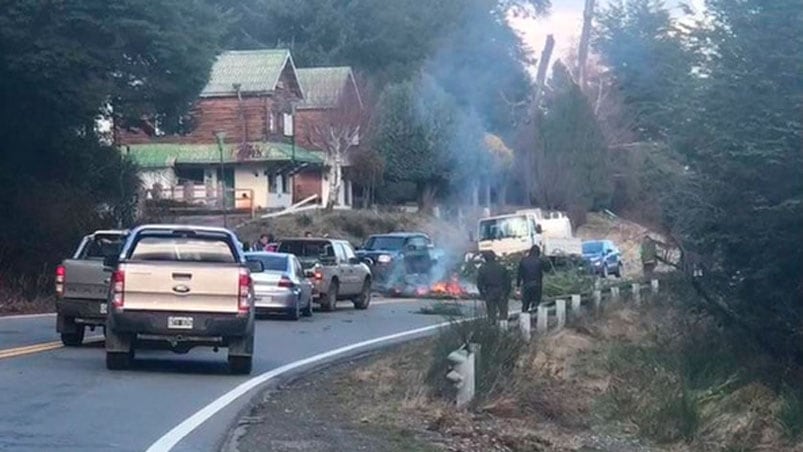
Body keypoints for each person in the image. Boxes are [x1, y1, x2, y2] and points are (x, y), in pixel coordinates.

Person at [476, 251, 511, 323]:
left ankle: (493, 330)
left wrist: (482, 294)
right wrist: (506, 293)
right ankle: (504, 330)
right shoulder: (501, 267)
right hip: (501, 291)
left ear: (485, 259)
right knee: (503, 313)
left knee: (491, 314)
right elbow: (508, 281)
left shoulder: (482, 268)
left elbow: (479, 283)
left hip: (489, 292)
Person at [517, 245, 544, 313]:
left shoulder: (523, 261)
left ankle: (524, 318)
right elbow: (547, 269)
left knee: (525, 303)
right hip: (537, 285)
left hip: (526, 285)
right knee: (535, 303)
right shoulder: (540, 261)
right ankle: (534, 318)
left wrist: (517, 286)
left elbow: (519, 275)